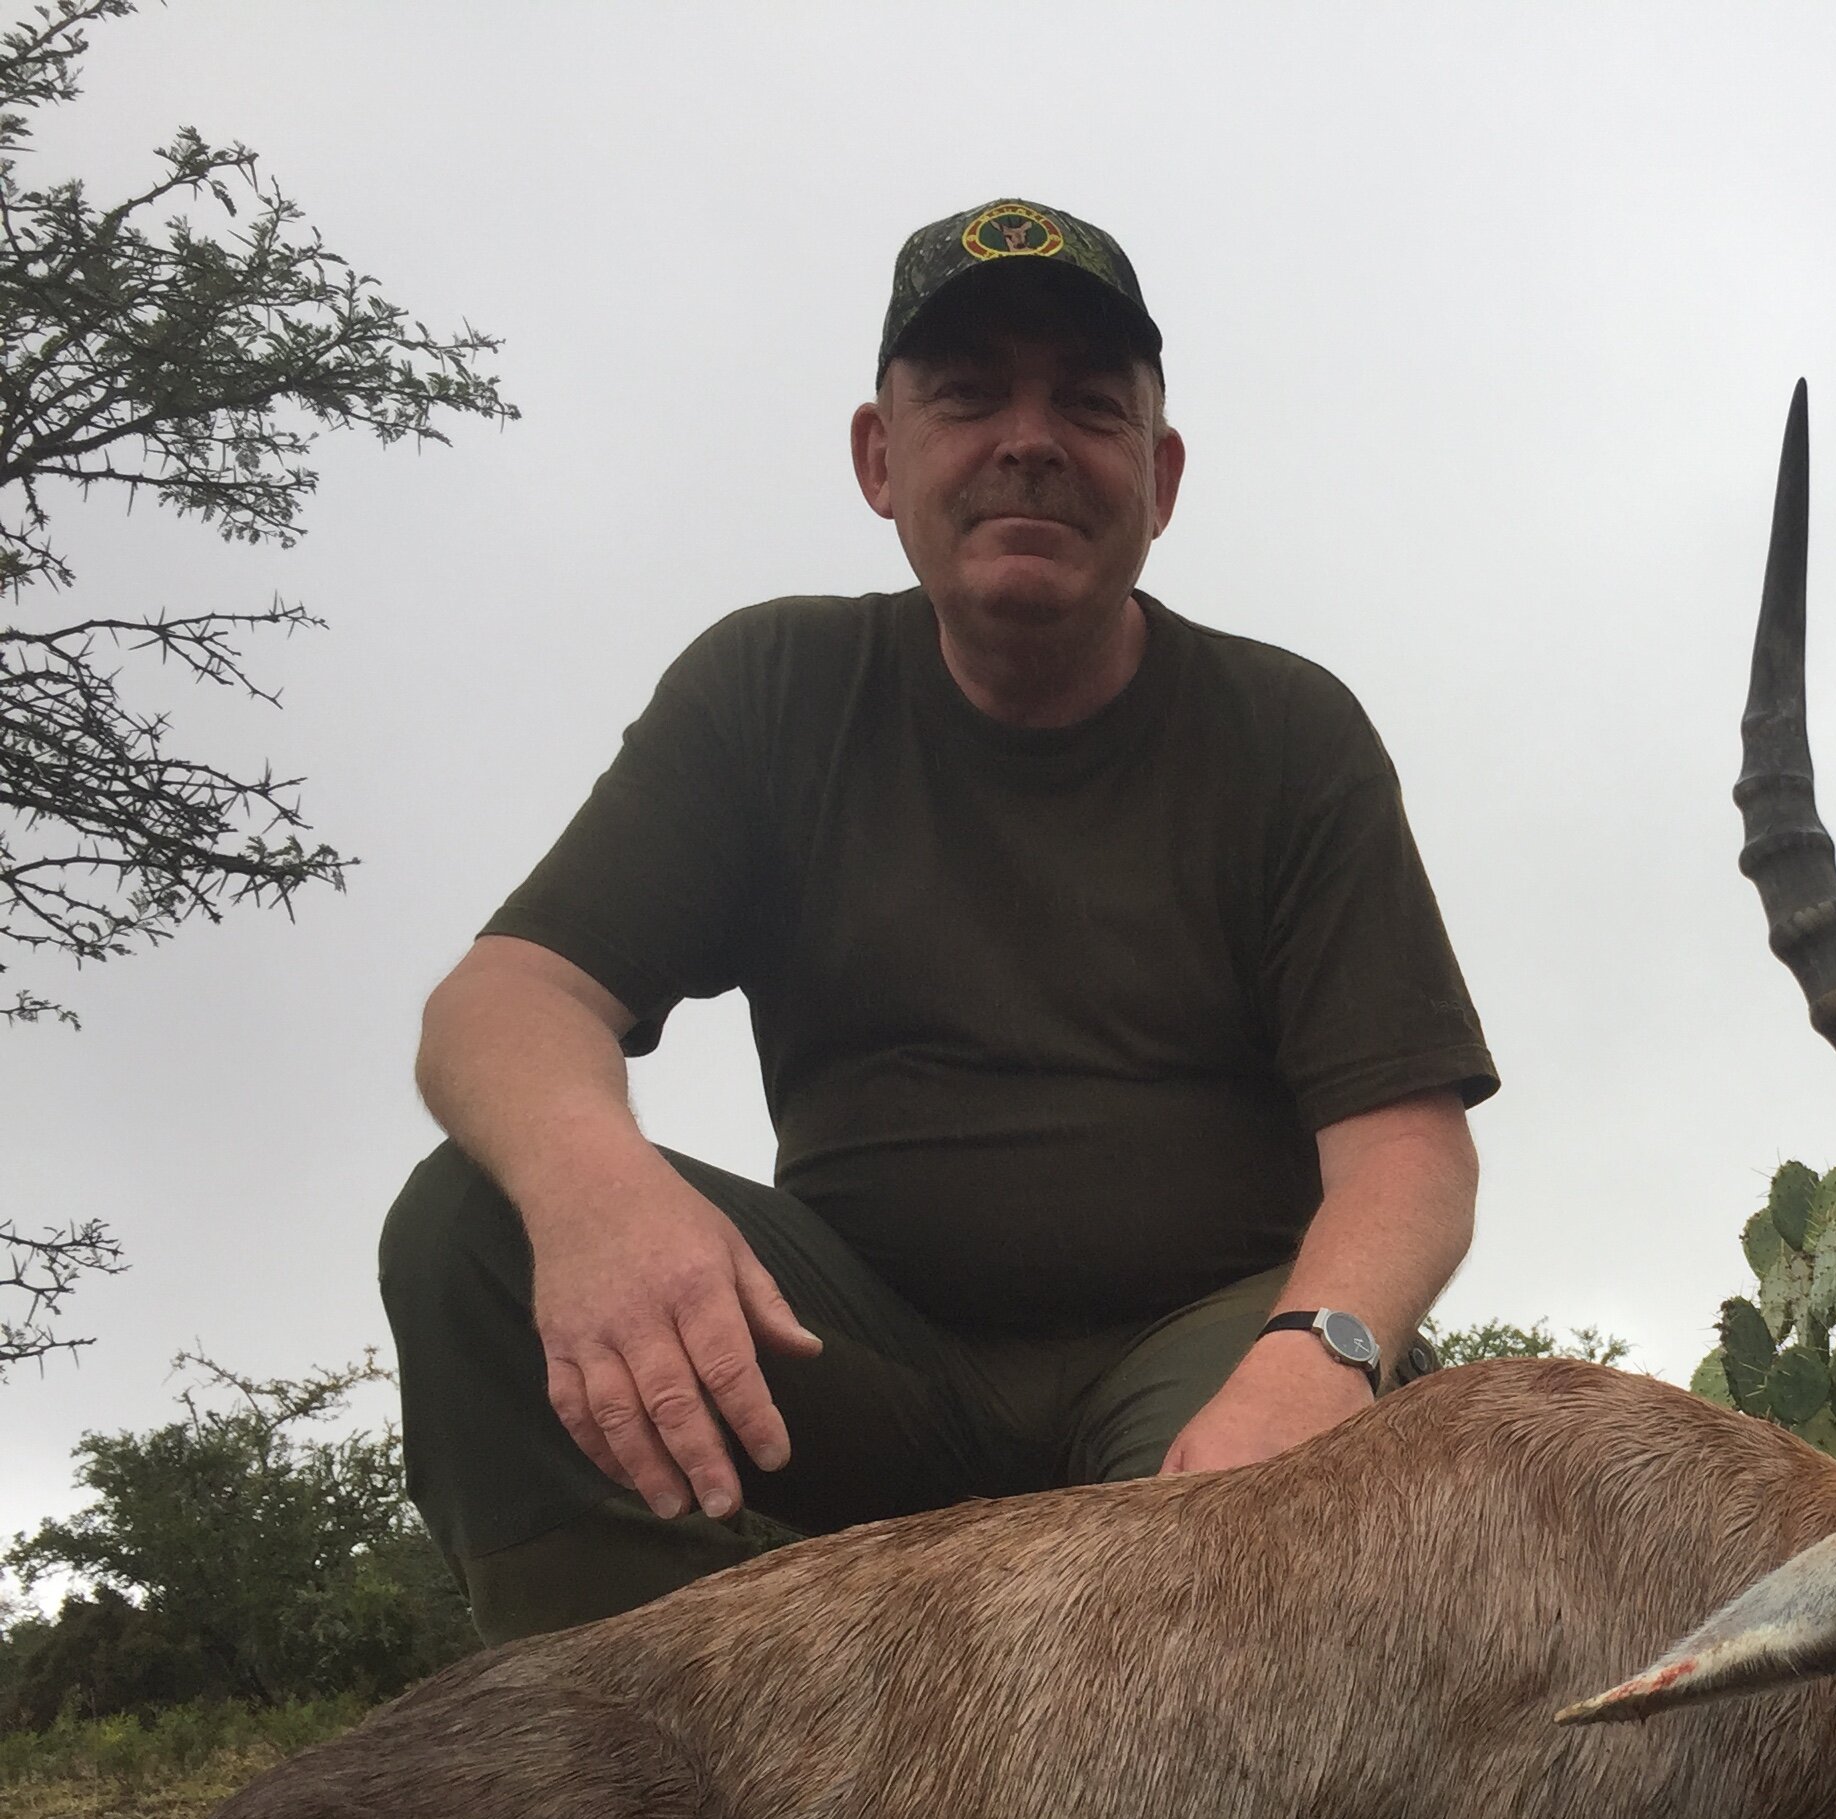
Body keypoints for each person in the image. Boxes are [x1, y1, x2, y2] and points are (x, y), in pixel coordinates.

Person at [383, 199, 1496, 1639]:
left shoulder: (1290, 732)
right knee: (474, 1227)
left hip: (1194, 1358)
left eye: (1089, 407)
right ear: (878, 457)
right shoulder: (771, 688)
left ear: (1158, 479)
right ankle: (667, 1764)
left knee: (1260, 1535)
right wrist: (595, 1187)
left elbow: (1408, 1147)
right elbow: (502, 1002)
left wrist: (1316, 1358)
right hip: (867, 1363)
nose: (1029, 439)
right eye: (968, 396)